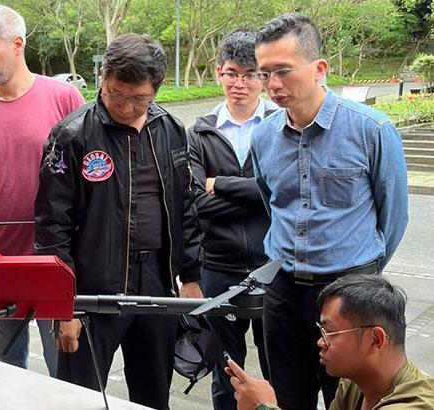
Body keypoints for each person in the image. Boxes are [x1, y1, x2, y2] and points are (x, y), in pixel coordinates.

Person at [34, 33, 203, 410]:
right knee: (78, 396)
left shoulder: (171, 130)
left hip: (156, 284)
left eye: (137, 98)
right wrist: (65, 305)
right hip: (93, 287)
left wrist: (191, 277)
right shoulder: (71, 135)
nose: (124, 106)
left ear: (155, 90)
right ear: (102, 78)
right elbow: (51, 227)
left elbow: (186, 205)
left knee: (154, 393)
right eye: (114, 94)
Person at [250, 14, 409, 409]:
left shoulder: (371, 130)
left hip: (350, 290)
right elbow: (272, 202)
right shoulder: (264, 136)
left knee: (350, 398)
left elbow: (394, 216)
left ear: (319, 68)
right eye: (264, 73)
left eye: (283, 71)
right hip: (283, 290)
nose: (272, 85)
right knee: (288, 394)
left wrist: (362, 275)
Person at [0, 5, 84, 377]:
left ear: (18, 44)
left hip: (55, 262)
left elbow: (89, 175)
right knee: (6, 372)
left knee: (66, 374)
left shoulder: (65, 97)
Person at [186, 28, 276, 409]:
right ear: (219, 73)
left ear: (264, 77)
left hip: (274, 266)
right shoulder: (198, 132)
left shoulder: (280, 127)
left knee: (278, 369)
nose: (240, 83)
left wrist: (218, 184)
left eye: (250, 74)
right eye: (232, 73)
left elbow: (282, 193)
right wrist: (258, 192)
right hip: (218, 267)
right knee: (226, 373)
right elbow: (192, 204)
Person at [227, 274, 434, 410]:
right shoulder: (355, 382)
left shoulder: (414, 405)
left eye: (330, 332)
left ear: (375, 339)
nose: (320, 342)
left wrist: (263, 407)